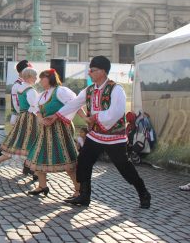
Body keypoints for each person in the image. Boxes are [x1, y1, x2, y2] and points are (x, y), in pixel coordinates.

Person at [51, 56, 151, 209]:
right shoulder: (90, 90)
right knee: (84, 161)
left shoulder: (116, 89)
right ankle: (84, 195)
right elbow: (74, 103)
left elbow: (117, 112)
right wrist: (55, 116)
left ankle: (143, 192)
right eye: (90, 70)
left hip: (114, 137)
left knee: (124, 166)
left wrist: (95, 117)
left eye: (93, 70)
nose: (89, 73)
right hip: (96, 135)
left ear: (103, 72)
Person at [25, 69, 81, 198]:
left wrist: (86, 119)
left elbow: (75, 104)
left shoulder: (60, 91)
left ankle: (78, 189)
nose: (40, 81)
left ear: (49, 78)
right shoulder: (42, 94)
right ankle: (42, 186)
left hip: (60, 130)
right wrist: (40, 118)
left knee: (66, 158)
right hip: (45, 130)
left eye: (42, 78)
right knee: (38, 156)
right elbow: (36, 109)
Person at [0, 67, 39, 176]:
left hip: (22, 117)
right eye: (35, 76)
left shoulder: (20, 89)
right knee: (33, 143)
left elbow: (17, 105)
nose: (36, 78)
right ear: (29, 77)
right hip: (30, 119)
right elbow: (35, 107)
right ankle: (34, 171)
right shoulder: (31, 91)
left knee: (17, 143)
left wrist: (22, 114)